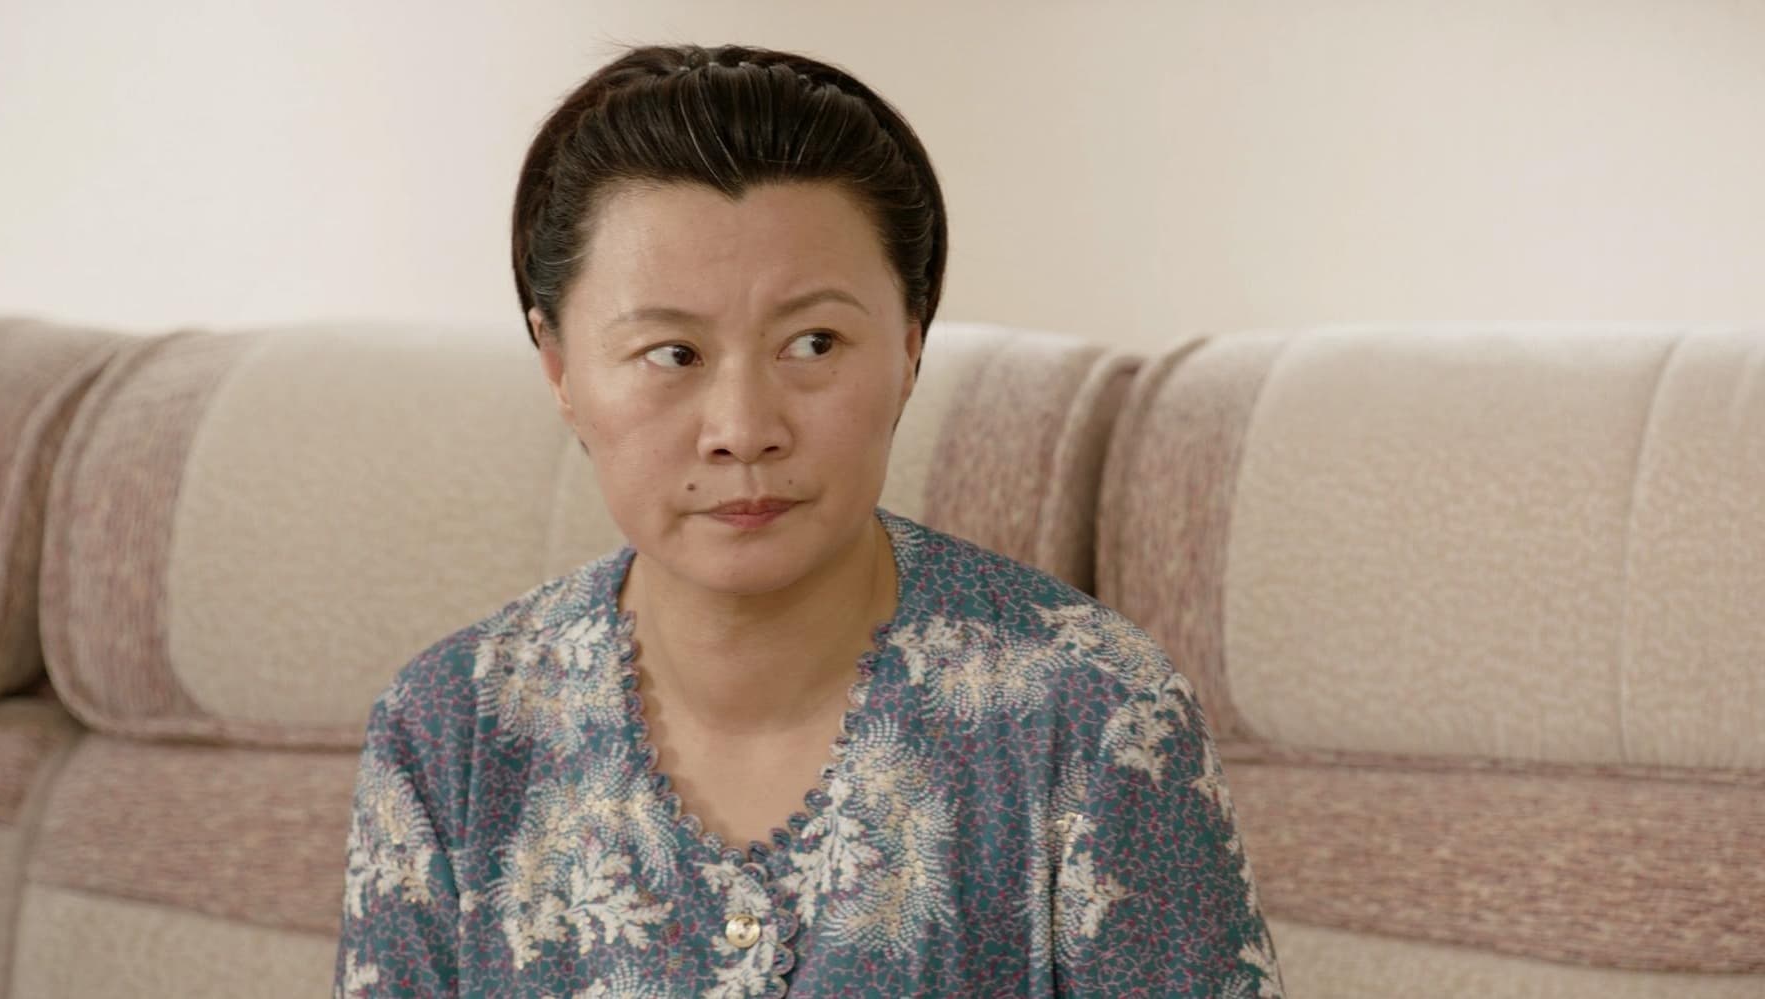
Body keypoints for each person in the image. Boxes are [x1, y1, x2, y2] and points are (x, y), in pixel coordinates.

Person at [334, 42, 1283, 998]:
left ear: (908, 348)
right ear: (560, 370)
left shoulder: (1100, 716)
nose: (744, 428)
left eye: (814, 343)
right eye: (672, 353)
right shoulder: (448, 732)